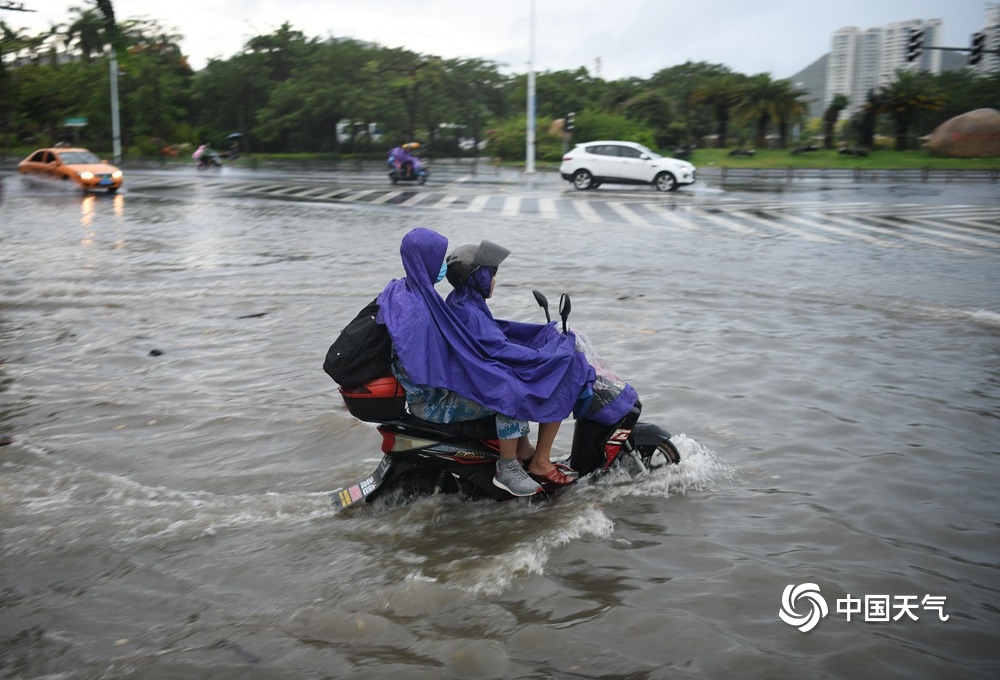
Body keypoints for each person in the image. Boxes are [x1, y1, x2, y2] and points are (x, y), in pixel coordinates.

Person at [376, 229, 594, 496]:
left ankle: (524, 451)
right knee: (509, 391)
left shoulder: (412, 293)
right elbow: (482, 348)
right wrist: (545, 356)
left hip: (429, 392)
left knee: (507, 377)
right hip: (434, 400)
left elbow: (478, 344)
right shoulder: (422, 308)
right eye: (437, 257)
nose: (442, 265)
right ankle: (509, 467)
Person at [444, 241, 582, 486]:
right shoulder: (469, 311)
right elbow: (497, 347)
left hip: (471, 373)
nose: (494, 281)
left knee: (531, 374)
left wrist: (539, 338)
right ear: (477, 278)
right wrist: (546, 355)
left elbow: (497, 335)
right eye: (491, 275)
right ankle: (539, 462)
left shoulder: (463, 300)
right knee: (551, 382)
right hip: (474, 381)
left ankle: (525, 450)